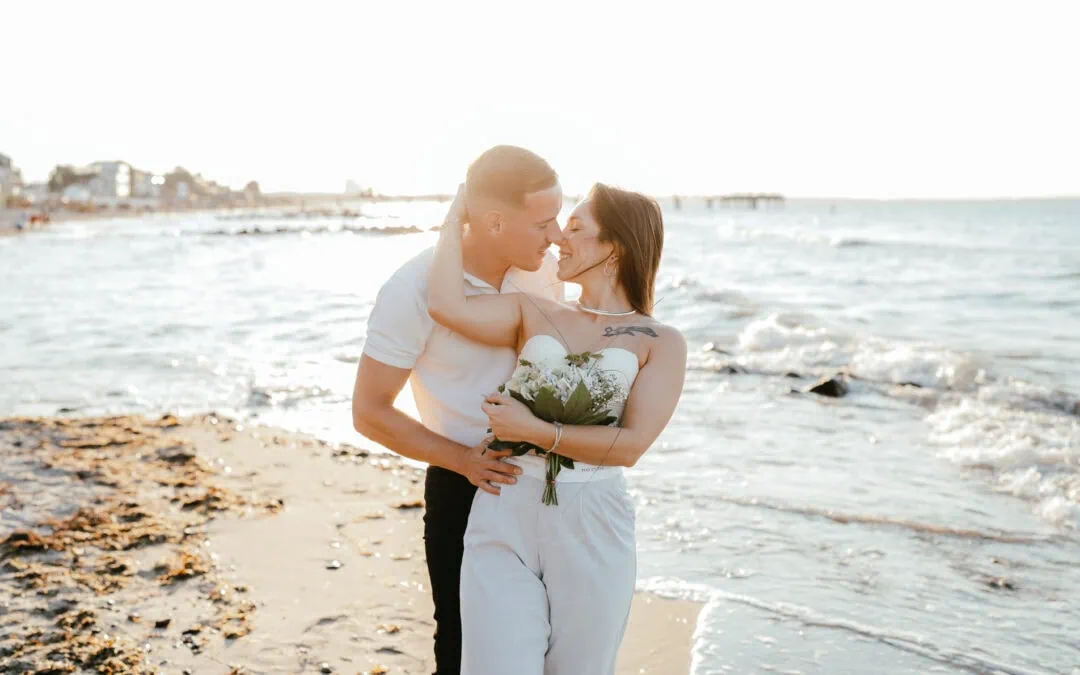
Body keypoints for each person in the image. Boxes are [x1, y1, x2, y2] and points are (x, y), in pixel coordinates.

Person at [427, 182, 687, 675]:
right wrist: (455, 216)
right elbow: (446, 305)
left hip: (592, 522)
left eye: (575, 229)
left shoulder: (661, 341)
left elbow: (630, 447)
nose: (558, 241)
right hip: (503, 508)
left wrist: (533, 429)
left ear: (614, 247)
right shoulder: (534, 309)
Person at [351, 145, 564, 675]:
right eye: (543, 221)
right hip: (466, 488)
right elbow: (370, 411)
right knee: (465, 649)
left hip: (555, 486)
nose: (556, 234)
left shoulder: (548, 271)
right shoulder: (412, 288)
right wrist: (465, 460)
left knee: (552, 643)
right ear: (494, 222)